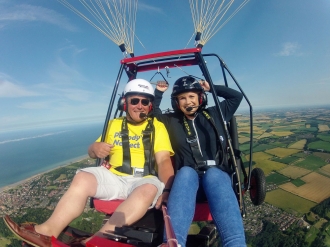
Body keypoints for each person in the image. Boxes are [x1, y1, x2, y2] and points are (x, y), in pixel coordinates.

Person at [4, 79, 174, 247]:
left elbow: (164, 160)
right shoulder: (113, 125)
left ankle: (97, 240)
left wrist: (167, 189)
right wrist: (95, 147)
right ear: (125, 103)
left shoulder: (157, 127)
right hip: (114, 177)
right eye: (135, 101)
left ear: (150, 105)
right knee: (82, 178)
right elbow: (92, 152)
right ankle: (46, 231)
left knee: (147, 190)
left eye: (145, 102)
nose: (140, 105)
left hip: (143, 180)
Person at [154, 76, 246, 247]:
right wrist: (158, 94)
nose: (188, 102)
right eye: (182, 98)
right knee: (186, 172)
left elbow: (236, 97)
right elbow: (153, 114)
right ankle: (173, 243)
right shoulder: (171, 121)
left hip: (216, 181)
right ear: (176, 102)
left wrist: (210, 87)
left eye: (192, 96)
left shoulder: (215, 114)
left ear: (200, 98)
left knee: (213, 175)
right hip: (188, 186)